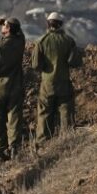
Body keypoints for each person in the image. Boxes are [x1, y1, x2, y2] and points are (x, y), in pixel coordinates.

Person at [32, 11, 83, 143]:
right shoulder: (69, 41)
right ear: (60, 25)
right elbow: (74, 62)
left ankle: (43, 143)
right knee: (65, 110)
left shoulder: (42, 41)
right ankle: (68, 139)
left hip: (47, 83)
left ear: (48, 24)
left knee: (44, 112)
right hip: (64, 81)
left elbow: (36, 64)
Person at [0, 16, 26, 161]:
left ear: (7, 29)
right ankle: (14, 148)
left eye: (4, 26)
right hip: (16, 86)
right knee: (14, 117)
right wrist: (6, 23)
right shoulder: (20, 43)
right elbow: (20, 34)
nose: (2, 27)